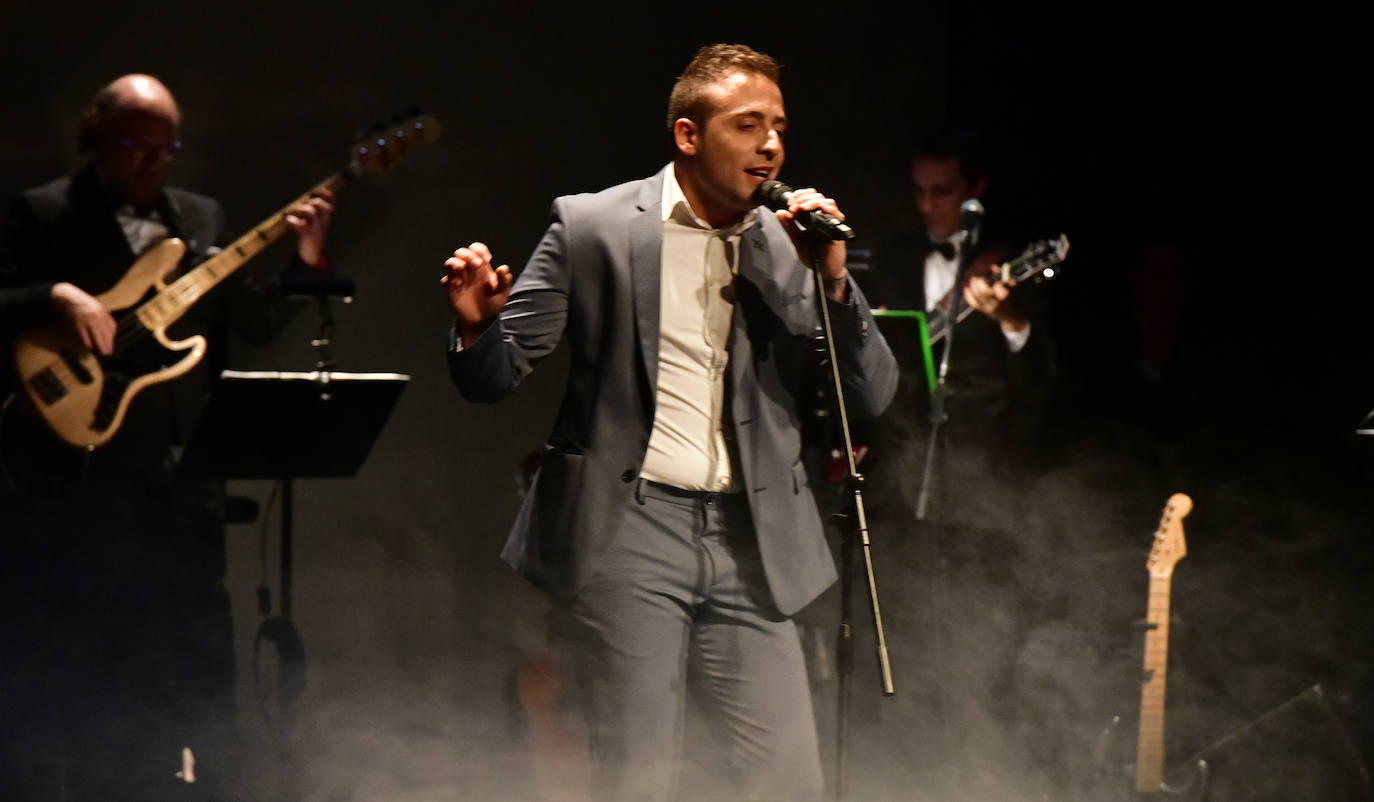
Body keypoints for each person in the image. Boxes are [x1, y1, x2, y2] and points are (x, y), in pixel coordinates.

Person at [442, 44, 897, 801]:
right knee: (639, 775)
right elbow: (496, 377)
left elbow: (872, 392)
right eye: (748, 125)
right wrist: (473, 329)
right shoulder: (593, 228)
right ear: (689, 135)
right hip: (631, 529)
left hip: (753, 537)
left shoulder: (792, 244)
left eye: (779, 127)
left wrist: (836, 279)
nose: (771, 145)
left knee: (787, 779)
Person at [0, 73, 334, 800]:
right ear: (98, 136)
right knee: (92, 694)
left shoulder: (201, 218)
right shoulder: (46, 211)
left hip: (180, 492)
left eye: (166, 147)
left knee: (199, 676)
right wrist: (55, 296)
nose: (154, 162)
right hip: (75, 495)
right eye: (136, 145)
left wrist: (304, 263)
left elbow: (250, 324)